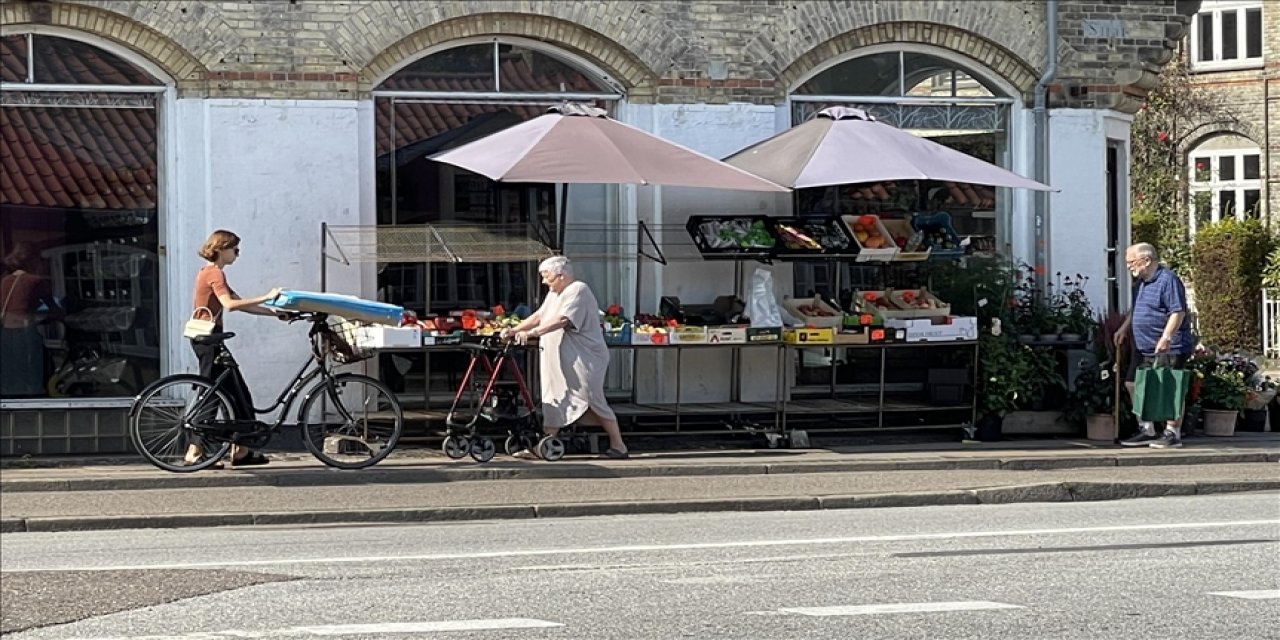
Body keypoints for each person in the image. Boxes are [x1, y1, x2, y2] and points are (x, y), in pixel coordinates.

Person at [501, 256, 629, 459]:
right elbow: (539, 315)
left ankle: (618, 445)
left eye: (546, 277)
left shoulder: (578, 290)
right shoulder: (554, 293)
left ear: (560, 275)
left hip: (584, 357)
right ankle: (545, 444)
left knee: (591, 397)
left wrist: (532, 333)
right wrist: (514, 329)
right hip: (560, 355)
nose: (544, 282)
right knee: (556, 395)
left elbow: (562, 320)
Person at [185, 230, 282, 468]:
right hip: (209, 341)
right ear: (221, 248)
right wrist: (266, 296)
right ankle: (194, 453)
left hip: (208, 340)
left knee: (238, 394)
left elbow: (241, 304)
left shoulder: (210, 273)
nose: (237, 255)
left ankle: (242, 450)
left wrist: (276, 313)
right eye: (235, 250)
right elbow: (229, 305)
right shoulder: (214, 273)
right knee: (211, 395)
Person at [1114, 242, 1194, 449]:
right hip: (1143, 345)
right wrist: (1124, 328)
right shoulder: (1140, 283)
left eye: (1132, 262)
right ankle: (1147, 429)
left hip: (1170, 346)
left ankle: (1172, 433)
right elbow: (1138, 309)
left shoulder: (1168, 280)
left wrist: (1166, 337)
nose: (1129, 266)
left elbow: (1177, 312)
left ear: (1147, 260)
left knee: (1170, 388)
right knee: (1133, 384)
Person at [0, 243, 60, 398]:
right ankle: (34, 395)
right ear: (32, 260)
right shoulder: (34, 280)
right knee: (32, 365)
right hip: (24, 329)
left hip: (6, 330)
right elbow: (51, 305)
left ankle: (11, 394)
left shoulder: (5, 281)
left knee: (11, 366)